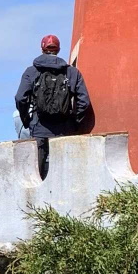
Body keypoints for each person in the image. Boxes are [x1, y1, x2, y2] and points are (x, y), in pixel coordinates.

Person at [15, 34, 92, 179]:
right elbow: (84, 101)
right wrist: (75, 122)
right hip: (65, 128)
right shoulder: (71, 72)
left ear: (42, 48)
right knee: (66, 173)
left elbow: (20, 98)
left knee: (38, 175)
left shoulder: (31, 72)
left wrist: (27, 120)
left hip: (39, 128)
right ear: (58, 49)